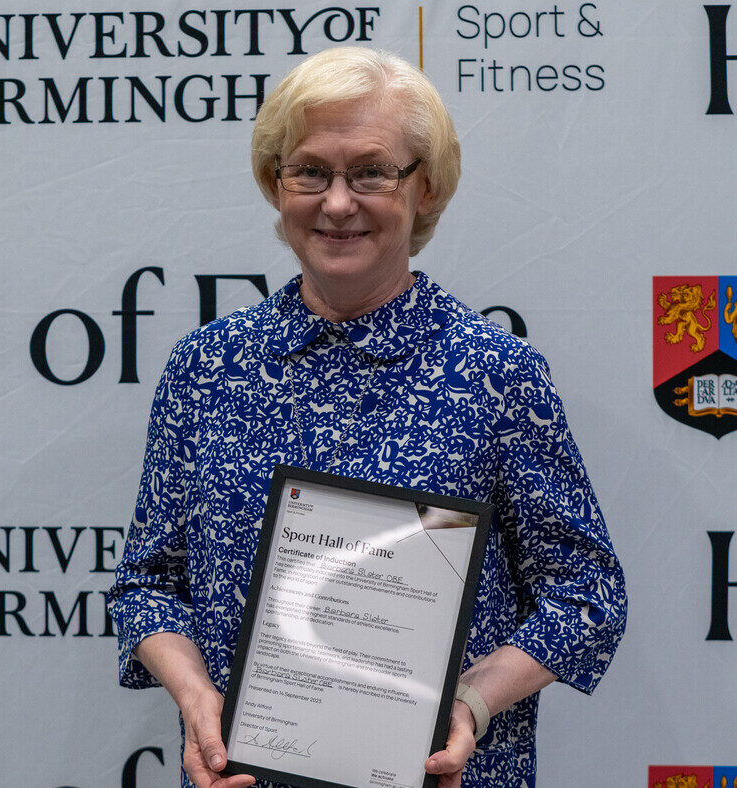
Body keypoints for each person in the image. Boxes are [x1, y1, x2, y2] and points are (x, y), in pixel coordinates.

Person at [108, 46, 627, 788]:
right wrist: (195, 701)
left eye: (372, 172)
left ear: (427, 189)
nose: (338, 202)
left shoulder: (494, 373)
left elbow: (586, 596)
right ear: (274, 183)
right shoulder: (207, 366)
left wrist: (471, 704)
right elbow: (148, 584)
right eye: (310, 171)